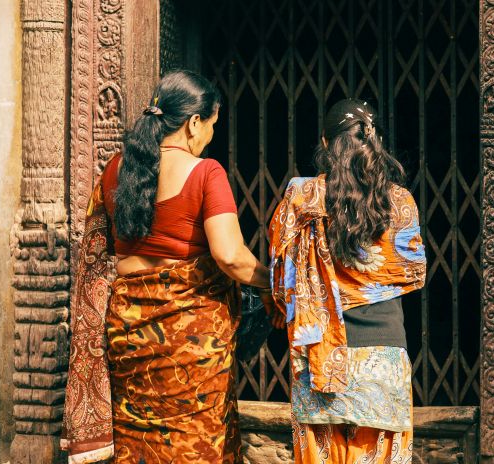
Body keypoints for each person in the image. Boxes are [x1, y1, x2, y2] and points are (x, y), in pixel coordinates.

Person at [61, 70, 274, 464]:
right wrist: (270, 281)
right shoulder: (206, 172)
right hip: (190, 349)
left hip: (129, 338)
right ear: (194, 123)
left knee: (137, 445)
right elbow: (230, 256)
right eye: (212, 125)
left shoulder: (114, 170)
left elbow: (96, 257)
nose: (211, 135)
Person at [268, 99, 427, 463]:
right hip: (384, 359)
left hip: (321, 361)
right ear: (375, 142)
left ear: (325, 143)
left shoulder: (302, 197)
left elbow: (283, 282)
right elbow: (413, 271)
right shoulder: (401, 201)